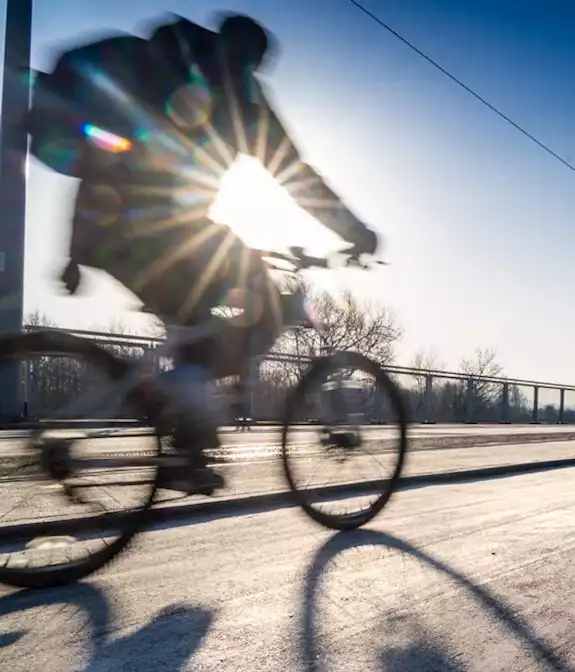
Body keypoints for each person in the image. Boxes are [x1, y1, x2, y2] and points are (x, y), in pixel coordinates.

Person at [29, 13, 379, 495]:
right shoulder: (240, 97)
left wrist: (74, 252)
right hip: (163, 231)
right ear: (251, 62)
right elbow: (297, 176)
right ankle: (186, 435)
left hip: (108, 230)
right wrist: (355, 231)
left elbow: (105, 158)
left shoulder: (159, 65)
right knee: (251, 300)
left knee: (202, 318)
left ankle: (182, 426)